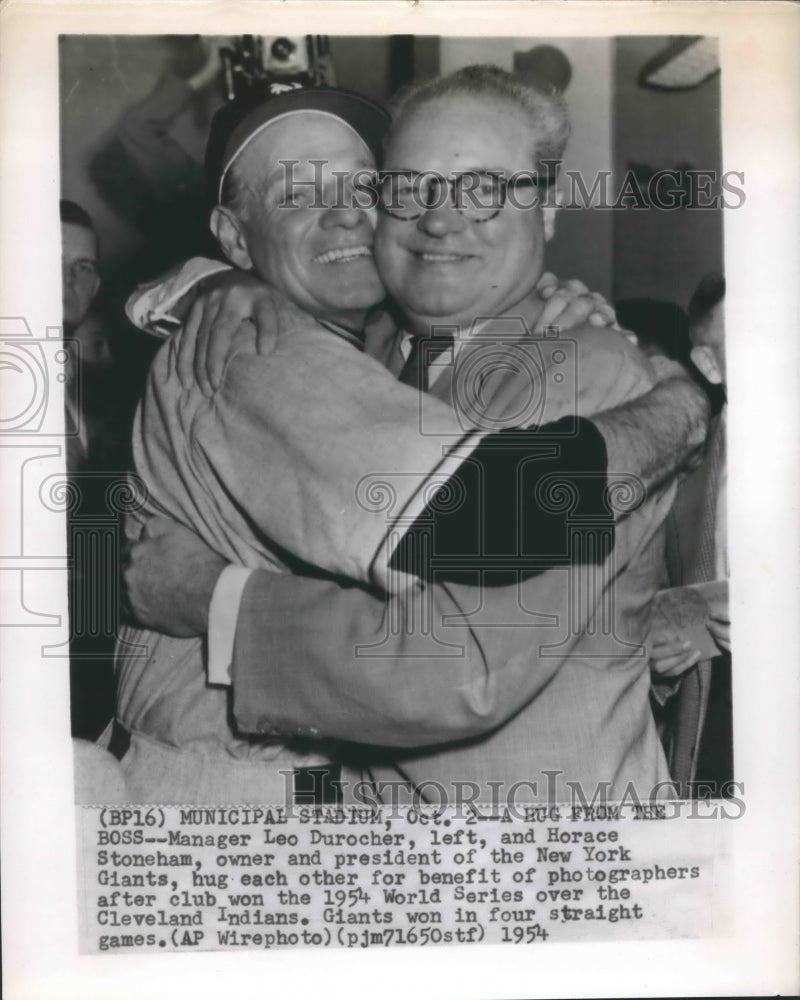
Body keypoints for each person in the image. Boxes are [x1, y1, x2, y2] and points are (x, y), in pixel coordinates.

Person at [120, 67, 713, 806]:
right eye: (407, 186)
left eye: (486, 189)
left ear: (549, 212)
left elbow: (459, 666)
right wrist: (203, 282)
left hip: (532, 866)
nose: (440, 219)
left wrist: (213, 599)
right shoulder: (350, 351)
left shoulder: (586, 373)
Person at [651, 273, 731, 794]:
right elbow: (638, 609)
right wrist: (657, 663)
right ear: (709, 365)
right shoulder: (674, 469)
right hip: (712, 735)